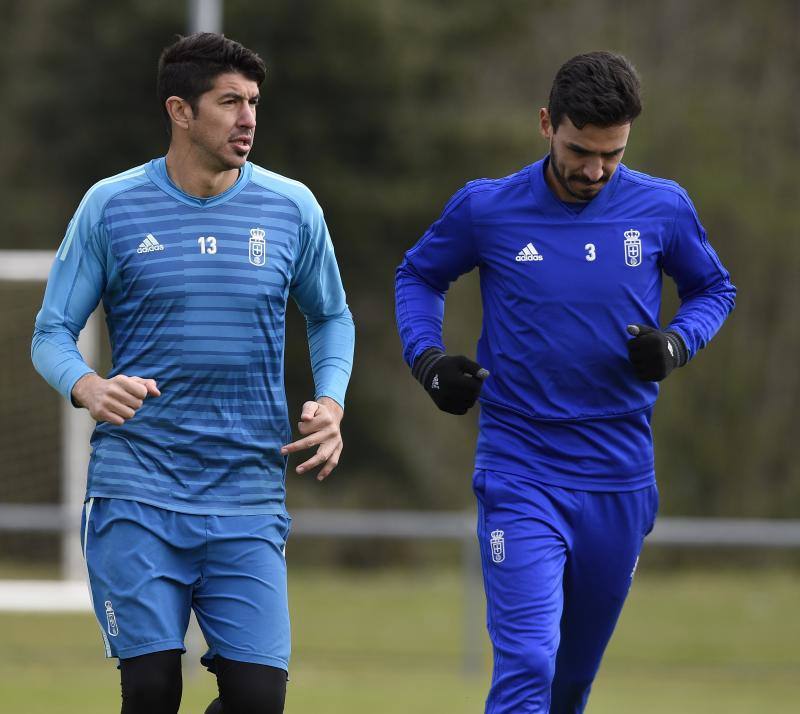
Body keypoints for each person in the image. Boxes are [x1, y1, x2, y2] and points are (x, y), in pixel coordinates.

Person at [395, 51, 735, 713]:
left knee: (569, 686)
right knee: (527, 664)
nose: (594, 171)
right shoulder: (487, 207)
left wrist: (676, 342)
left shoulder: (663, 207)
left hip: (619, 476)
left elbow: (713, 289)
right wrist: (428, 360)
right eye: (580, 151)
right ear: (547, 123)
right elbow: (419, 275)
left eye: (612, 155)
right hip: (520, 470)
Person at [31, 33, 354, 714]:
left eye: (254, 102)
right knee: (151, 689)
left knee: (258, 700)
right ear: (180, 111)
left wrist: (331, 400)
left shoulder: (292, 208)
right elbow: (51, 333)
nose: (248, 119)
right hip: (139, 490)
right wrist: (88, 386)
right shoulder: (111, 207)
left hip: (246, 493)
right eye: (230, 102)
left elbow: (332, 317)